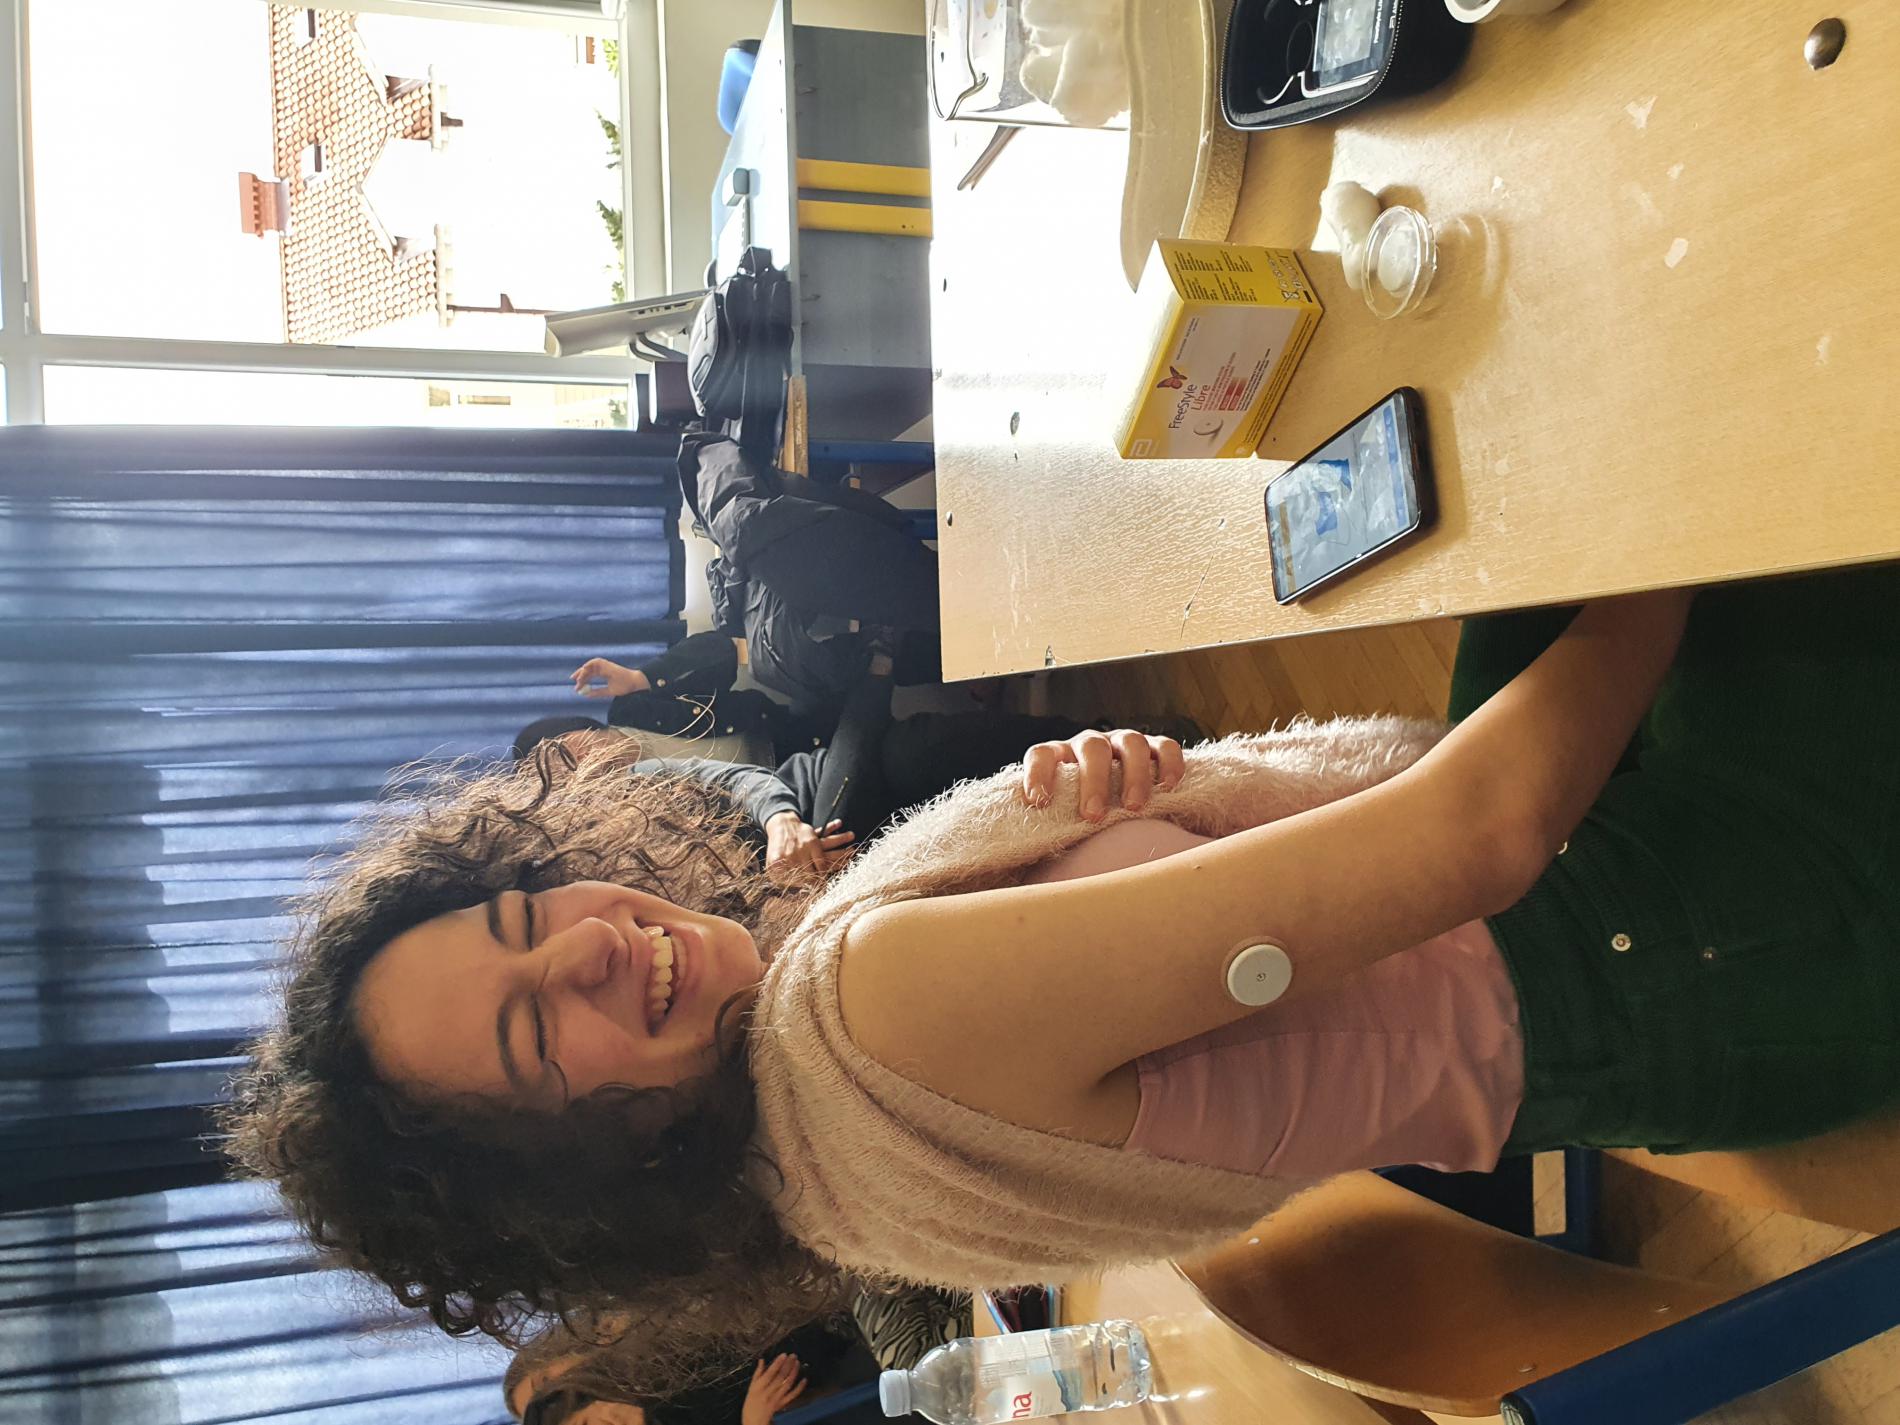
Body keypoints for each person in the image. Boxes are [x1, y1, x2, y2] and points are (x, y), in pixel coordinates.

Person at [223, 567, 1900, 1390]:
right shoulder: (867, 1015)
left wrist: (1106, 828)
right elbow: (1486, 831)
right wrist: (1675, 550)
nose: (588, 944)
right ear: (580, 1164)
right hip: (1703, 928)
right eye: (537, 1034)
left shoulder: (821, 1162)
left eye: (526, 916)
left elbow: (1199, 1047)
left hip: (1639, 981)